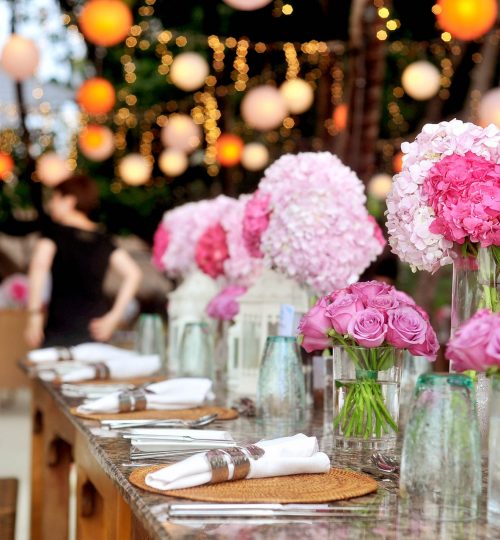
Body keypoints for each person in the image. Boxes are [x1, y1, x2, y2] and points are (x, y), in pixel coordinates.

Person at [25, 175, 142, 348]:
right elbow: (134, 274)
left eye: (55, 199)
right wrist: (113, 317)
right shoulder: (103, 239)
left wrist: (34, 315)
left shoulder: (55, 232)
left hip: (61, 329)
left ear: (69, 201)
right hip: (97, 329)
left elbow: (39, 266)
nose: (51, 205)